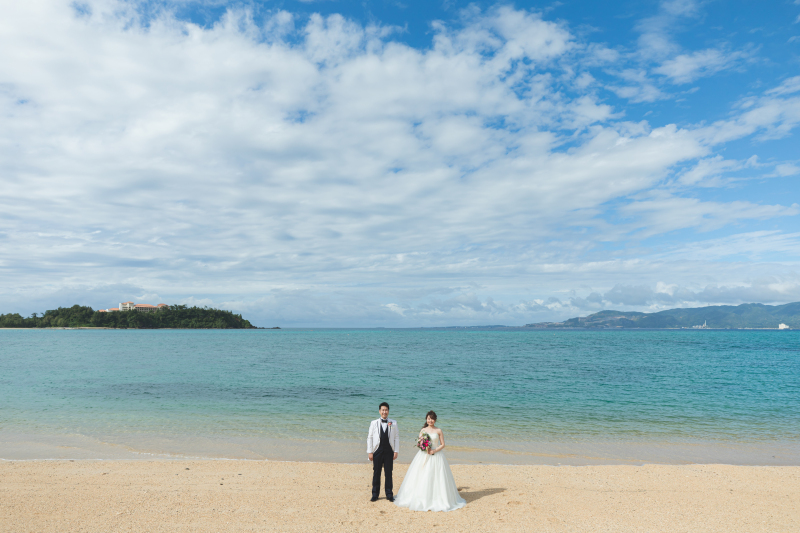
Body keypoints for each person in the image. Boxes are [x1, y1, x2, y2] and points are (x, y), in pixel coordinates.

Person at [393, 410, 466, 512]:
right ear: (426, 419)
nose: (430, 420)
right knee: (422, 476)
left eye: (432, 418)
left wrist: (434, 450)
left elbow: (443, 444)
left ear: (435, 420)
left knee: (437, 477)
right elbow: (419, 443)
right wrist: (424, 447)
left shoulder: (439, 430)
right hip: (424, 455)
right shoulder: (423, 430)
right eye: (428, 418)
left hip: (437, 455)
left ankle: (437, 498)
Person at [367, 402, 399, 502]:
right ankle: (375, 494)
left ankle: (389, 494)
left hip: (389, 450)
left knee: (388, 473)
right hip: (377, 450)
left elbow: (396, 437)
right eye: (382, 410)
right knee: (376, 472)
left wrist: (396, 450)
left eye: (386, 410)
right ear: (380, 411)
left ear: (388, 411)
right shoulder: (374, 423)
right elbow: (370, 437)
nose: (384, 412)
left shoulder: (393, 423)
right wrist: (370, 451)